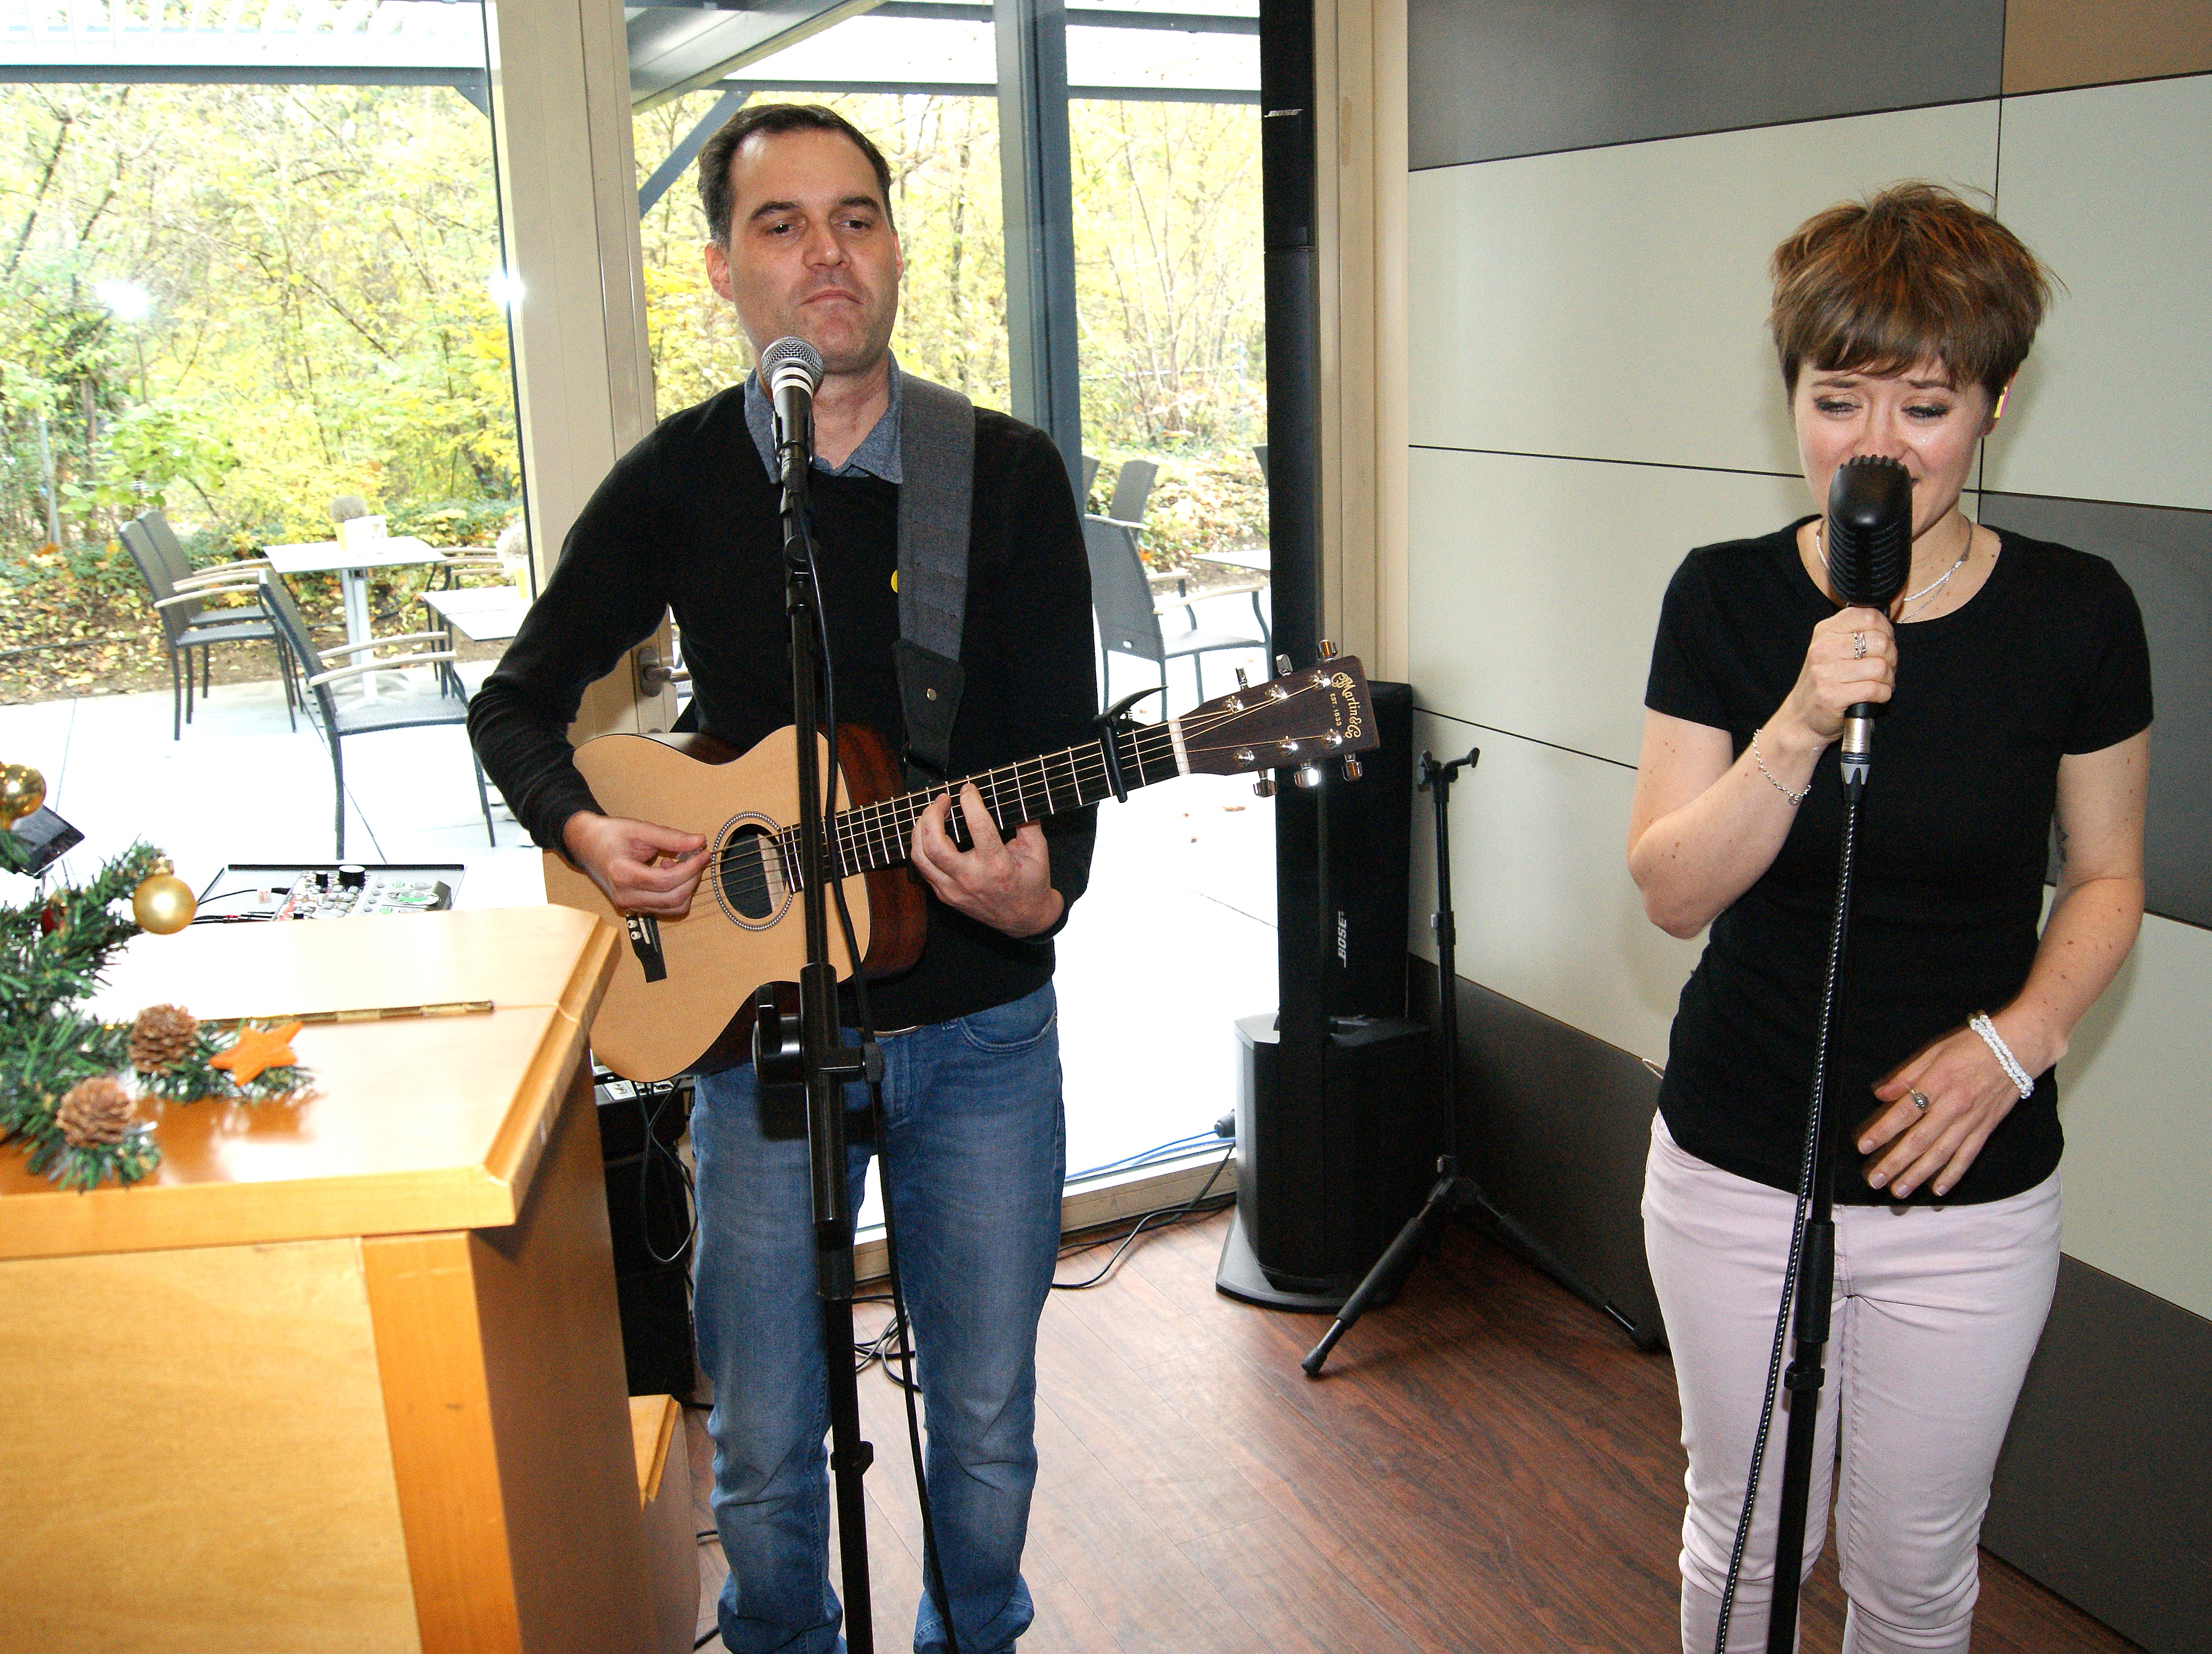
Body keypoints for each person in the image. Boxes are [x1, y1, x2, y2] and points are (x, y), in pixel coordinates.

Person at [468, 104, 1097, 1654]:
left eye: (857, 218)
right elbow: (517, 703)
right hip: (753, 1044)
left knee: (985, 1418)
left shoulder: (1004, 475)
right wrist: (588, 833)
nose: (828, 254)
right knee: (757, 1433)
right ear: (721, 271)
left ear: (895, 250)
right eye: (782, 224)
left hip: (981, 1032)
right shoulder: (682, 479)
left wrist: (1041, 895)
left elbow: (1063, 753)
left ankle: (974, 1634)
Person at [1626, 181, 2151, 1653]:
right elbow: (1670, 890)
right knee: (1744, 1540)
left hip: (1969, 1186)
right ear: (1789, 396)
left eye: (1922, 407)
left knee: (1915, 1569)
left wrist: (2016, 1046)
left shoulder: (2078, 613)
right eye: (1834, 399)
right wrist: (1798, 722)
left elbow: (2107, 876)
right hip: (1739, 1162)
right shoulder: (1723, 599)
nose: (1874, 448)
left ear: (1993, 405)